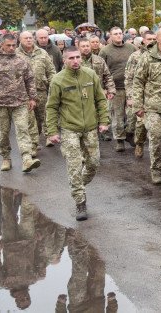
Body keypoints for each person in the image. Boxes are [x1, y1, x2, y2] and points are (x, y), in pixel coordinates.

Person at [46, 46, 109, 220]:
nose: (75, 61)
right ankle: (80, 203)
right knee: (74, 167)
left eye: (78, 57)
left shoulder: (90, 75)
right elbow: (51, 107)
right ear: (64, 60)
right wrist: (52, 131)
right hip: (69, 129)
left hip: (90, 127)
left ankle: (78, 184)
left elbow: (100, 99)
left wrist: (104, 121)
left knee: (93, 163)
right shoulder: (58, 80)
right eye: (71, 58)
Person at [0, 34, 40, 172]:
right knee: (3, 133)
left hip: (20, 103)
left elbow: (30, 79)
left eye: (14, 45)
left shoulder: (21, 60)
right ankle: (6, 158)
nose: (12, 48)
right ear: (1, 45)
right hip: (1, 104)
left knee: (22, 130)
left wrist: (33, 98)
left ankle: (26, 159)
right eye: (8, 45)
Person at [132, 27, 161, 184]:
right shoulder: (147, 57)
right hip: (152, 106)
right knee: (156, 136)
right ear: (157, 39)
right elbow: (138, 82)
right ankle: (156, 170)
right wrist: (137, 105)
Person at [16, 31, 56, 153]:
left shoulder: (42, 52)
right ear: (20, 40)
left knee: (42, 117)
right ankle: (33, 145)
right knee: (30, 120)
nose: (29, 40)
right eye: (26, 38)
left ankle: (43, 137)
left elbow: (51, 70)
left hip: (41, 90)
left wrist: (52, 85)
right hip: (24, 93)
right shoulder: (16, 54)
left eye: (30, 38)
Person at [99, 27, 137, 152]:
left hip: (131, 86)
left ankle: (129, 133)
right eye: (115, 34)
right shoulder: (105, 51)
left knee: (133, 114)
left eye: (120, 33)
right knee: (117, 116)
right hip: (114, 88)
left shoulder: (131, 48)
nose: (118, 36)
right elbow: (100, 70)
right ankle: (120, 140)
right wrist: (104, 87)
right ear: (110, 36)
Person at [124, 30, 156, 157]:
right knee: (141, 124)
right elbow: (129, 78)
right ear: (144, 41)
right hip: (141, 95)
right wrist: (130, 97)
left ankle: (156, 152)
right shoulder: (135, 56)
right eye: (149, 39)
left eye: (154, 39)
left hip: (157, 96)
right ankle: (139, 143)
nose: (152, 41)